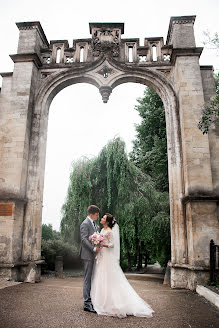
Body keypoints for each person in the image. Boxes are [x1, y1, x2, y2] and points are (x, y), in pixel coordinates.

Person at [90, 213, 154, 318]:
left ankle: (113, 303)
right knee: (101, 277)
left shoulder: (109, 231)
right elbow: (100, 242)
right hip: (102, 256)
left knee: (110, 278)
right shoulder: (101, 231)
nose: (101, 219)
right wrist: (97, 244)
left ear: (107, 222)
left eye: (103, 218)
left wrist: (102, 244)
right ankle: (102, 301)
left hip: (108, 257)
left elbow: (112, 245)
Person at [80, 205, 100, 313]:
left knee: (92, 278)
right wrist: (93, 248)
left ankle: (90, 300)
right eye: (96, 214)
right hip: (88, 255)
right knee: (87, 279)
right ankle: (86, 304)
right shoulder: (85, 224)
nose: (97, 216)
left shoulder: (94, 224)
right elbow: (83, 239)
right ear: (91, 214)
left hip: (94, 255)